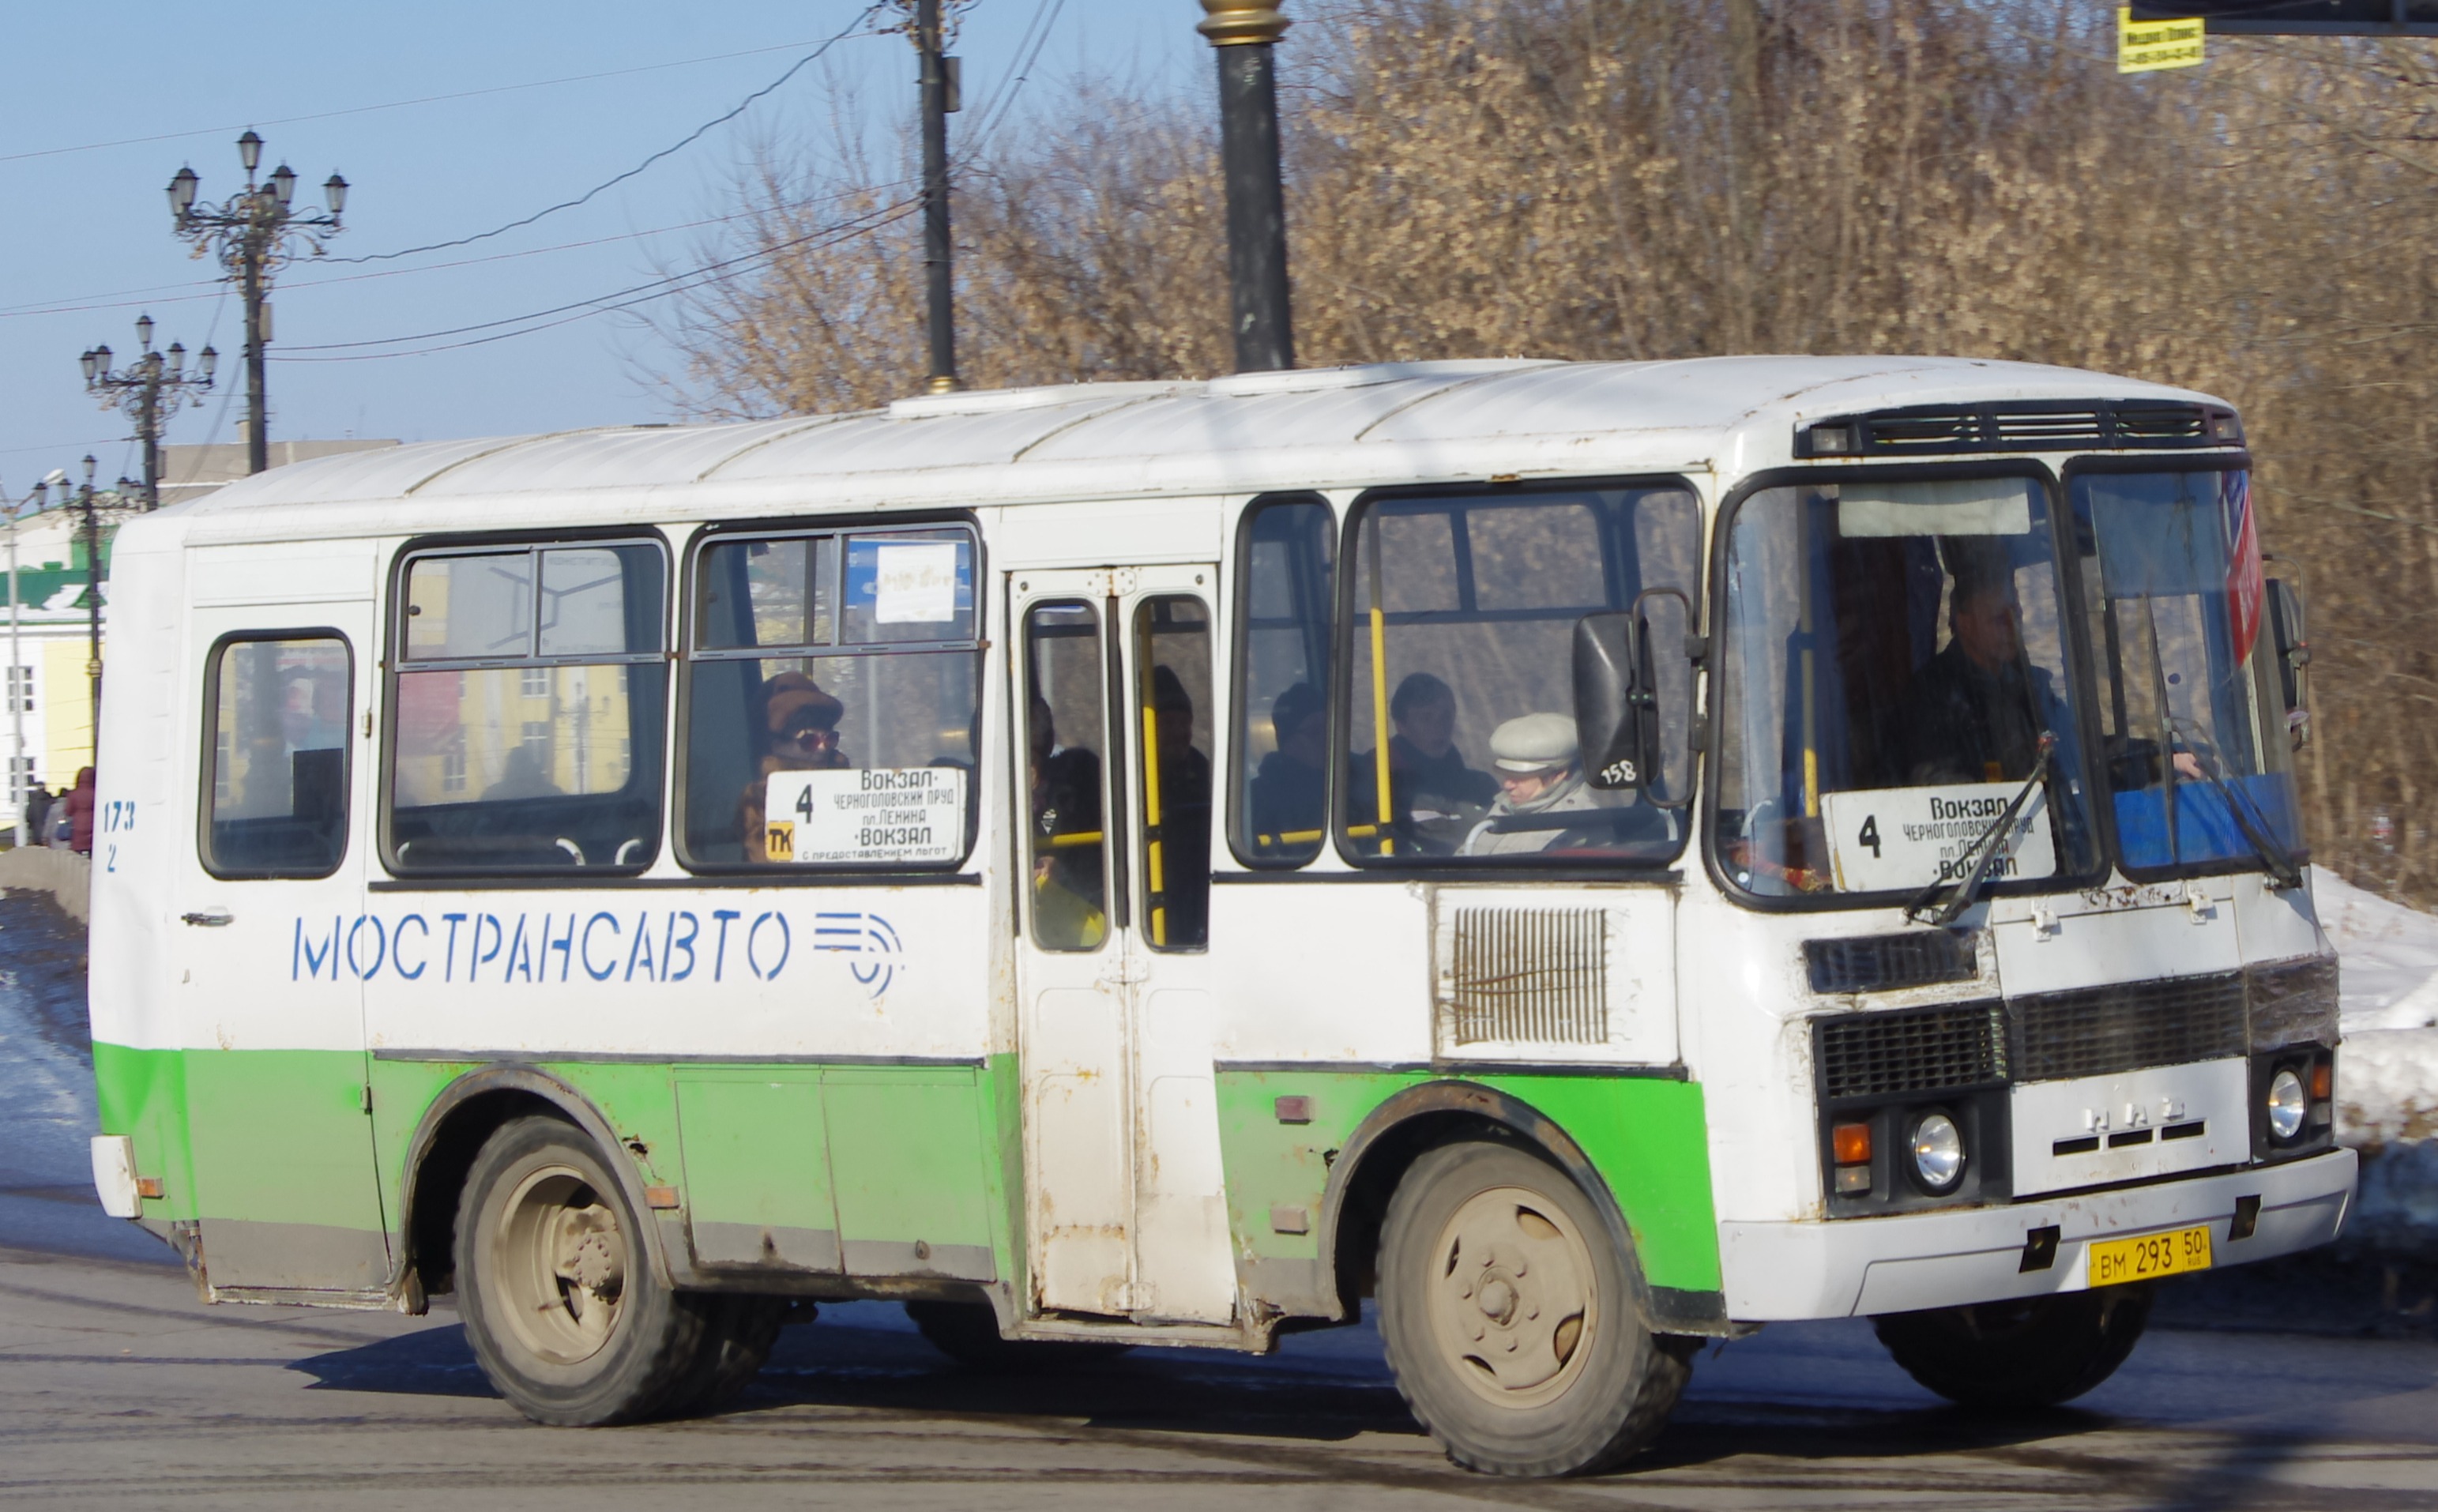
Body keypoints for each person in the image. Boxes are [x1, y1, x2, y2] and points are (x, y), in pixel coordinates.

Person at [1892, 563, 2064, 786]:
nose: (2014, 629)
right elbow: (1937, 785)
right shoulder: (1931, 697)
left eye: (2017, 615)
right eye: (2001, 620)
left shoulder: (2032, 688)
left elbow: (2071, 749)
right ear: (1965, 624)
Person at [1363, 672, 1497, 841]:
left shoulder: (1482, 787)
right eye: (1425, 718)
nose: (1439, 726)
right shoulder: (1376, 786)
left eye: (1446, 716)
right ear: (1401, 726)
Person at [740, 672, 847, 862]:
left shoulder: (848, 793)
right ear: (774, 744)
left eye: (830, 740)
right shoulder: (760, 801)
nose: (823, 749)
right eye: (809, 741)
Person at [1462, 714, 1603, 857]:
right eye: (1506, 775)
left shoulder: (1581, 824)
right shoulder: (1505, 807)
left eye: (1519, 777)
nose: (1507, 785)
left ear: (1558, 774)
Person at [1146, 664, 1212, 947]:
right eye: (1168, 723)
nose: (1180, 732)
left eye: (1185, 723)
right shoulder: (1125, 775)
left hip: (1197, 893)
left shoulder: (1202, 770)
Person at [1247, 681, 1328, 850]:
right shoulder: (1258, 799)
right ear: (1289, 744)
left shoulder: (1354, 779)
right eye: (1315, 732)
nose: (1327, 739)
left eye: (1330, 729)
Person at [65, 766, 96, 856]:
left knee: (77, 853)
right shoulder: (96, 793)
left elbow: (68, 811)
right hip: (92, 825)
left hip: (78, 826)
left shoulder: (73, 794)